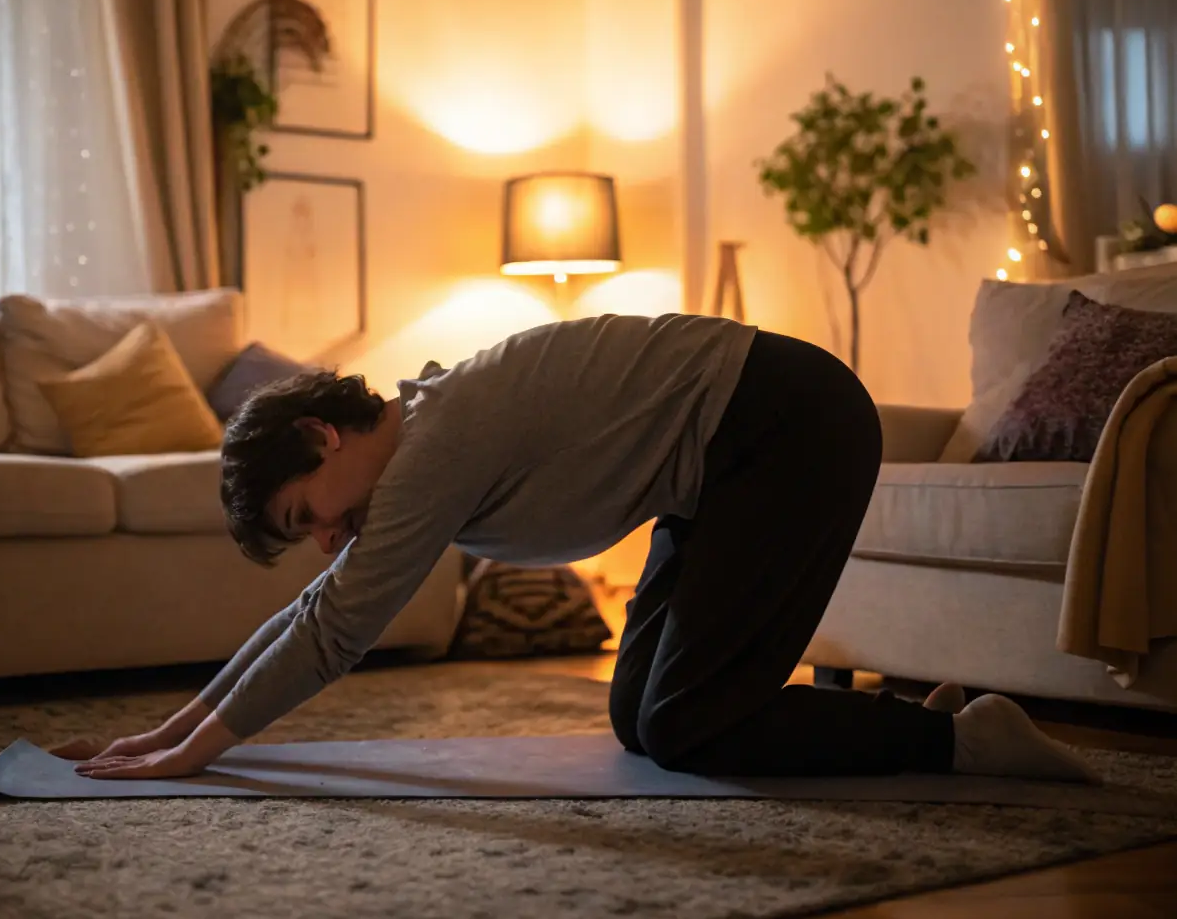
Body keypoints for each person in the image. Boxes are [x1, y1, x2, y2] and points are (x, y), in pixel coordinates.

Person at [58, 314, 1098, 785]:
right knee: (639, 720)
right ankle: (921, 722)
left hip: (789, 427)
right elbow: (312, 611)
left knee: (687, 725)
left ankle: (960, 742)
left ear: (323, 436)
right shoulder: (420, 437)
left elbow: (334, 632)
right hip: (717, 469)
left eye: (306, 517)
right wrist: (171, 728)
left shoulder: (427, 452)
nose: (327, 539)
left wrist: (197, 752)